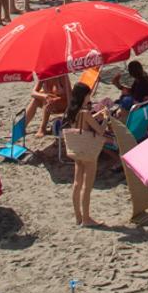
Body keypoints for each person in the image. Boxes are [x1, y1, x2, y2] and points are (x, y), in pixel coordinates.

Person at [63, 84, 111, 226]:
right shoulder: (85, 113)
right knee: (87, 186)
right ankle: (87, 219)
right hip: (88, 151)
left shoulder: (72, 111)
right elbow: (100, 131)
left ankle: (78, 216)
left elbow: (82, 123)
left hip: (77, 149)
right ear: (84, 96)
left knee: (77, 184)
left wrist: (97, 115)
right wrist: (106, 118)